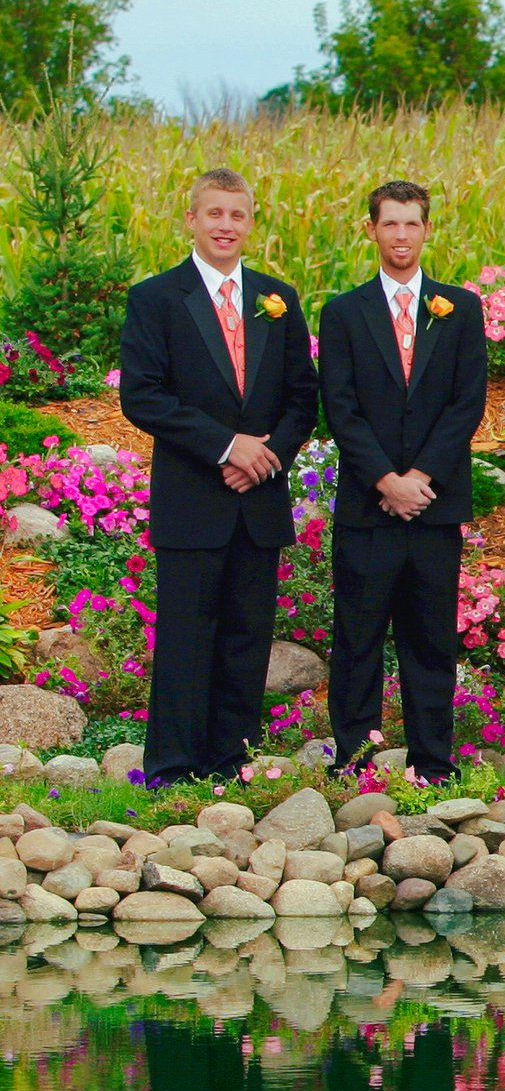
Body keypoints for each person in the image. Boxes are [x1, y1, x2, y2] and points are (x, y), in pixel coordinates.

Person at [117, 168, 320, 783]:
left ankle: (232, 760)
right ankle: (174, 768)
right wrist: (228, 446)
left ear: (251, 222)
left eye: (237, 214)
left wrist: (265, 456)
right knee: (184, 638)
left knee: (245, 639)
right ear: (192, 220)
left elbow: (302, 397)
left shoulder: (275, 298)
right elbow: (143, 397)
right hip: (193, 497)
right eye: (214, 214)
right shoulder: (156, 298)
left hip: (257, 501)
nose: (225, 225)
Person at [318, 179, 488, 783]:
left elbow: (466, 402)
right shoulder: (343, 312)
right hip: (370, 506)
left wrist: (421, 477)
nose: (401, 236)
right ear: (372, 230)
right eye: (389, 224)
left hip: (434, 506)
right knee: (358, 637)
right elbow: (341, 407)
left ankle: (432, 762)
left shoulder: (460, 308)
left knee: (430, 639)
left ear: (426, 229)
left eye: (411, 224)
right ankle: (354, 760)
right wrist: (387, 480)